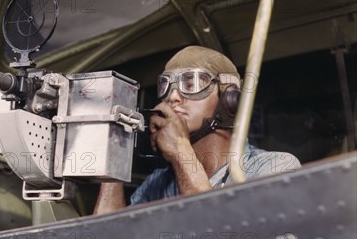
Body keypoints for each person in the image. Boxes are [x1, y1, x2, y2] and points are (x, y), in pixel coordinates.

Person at [94, 46, 300, 214]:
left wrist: (181, 152)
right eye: (166, 86)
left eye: (191, 83)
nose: (172, 97)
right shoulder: (158, 183)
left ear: (230, 99)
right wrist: (114, 157)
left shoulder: (273, 167)